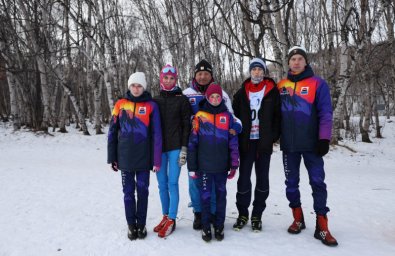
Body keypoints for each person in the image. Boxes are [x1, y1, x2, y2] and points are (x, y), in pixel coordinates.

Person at [277, 46, 338, 246]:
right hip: (289, 146)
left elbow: (326, 114)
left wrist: (323, 139)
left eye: (299, 59)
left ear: (306, 62)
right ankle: (297, 217)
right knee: (291, 184)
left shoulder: (317, 84)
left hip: (312, 145)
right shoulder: (281, 86)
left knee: (317, 183)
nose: (296, 62)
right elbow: (274, 115)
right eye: (293, 59)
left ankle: (322, 224)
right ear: (288, 63)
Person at [183, 59, 242, 230]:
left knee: (214, 185)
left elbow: (232, 117)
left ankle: (214, 213)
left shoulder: (221, 94)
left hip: (215, 148)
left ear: (211, 76)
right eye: (199, 74)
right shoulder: (187, 94)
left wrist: (236, 127)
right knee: (194, 181)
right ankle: (198, 213)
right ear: (195, 75)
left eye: (206, 74)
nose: (202, 77)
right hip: (195, 144)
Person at [107, 72, 162, 241]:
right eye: (133, 85)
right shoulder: (120, 104)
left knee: (143, 192)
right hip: (125, 158)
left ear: (143, 87)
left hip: (144, 159)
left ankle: (142, 224)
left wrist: (156, 159)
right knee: (128, 193)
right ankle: (131, 225)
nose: (136, 89)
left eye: (139, 86)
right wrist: (112, 157)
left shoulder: (151, 106)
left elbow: (157, 134)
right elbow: (112, 132)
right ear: (129, 86)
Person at [232, 57, 281, 232]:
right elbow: (234, 118)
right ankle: (242, 213)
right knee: (244, 179)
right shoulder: (241, 92)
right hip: (246, 144)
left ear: (264, 72)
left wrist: (272, 137)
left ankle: (257, 214)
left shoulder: (272, 91)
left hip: (263, 144)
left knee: (262, 179)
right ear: (250, 71)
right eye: (254, 69)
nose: (257, 72)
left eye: (260, 69)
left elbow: (278, 118)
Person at [152, 64, 191, 238]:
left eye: (172, 78)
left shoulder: (182, 100)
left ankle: (172, 219)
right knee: (162, 185)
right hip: (159, 149)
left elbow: (186, 126)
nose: (168, 81)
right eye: (165, 78)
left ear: (176, 79)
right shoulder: (155, 100)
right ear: (161, 79)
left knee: (172, 183)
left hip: (176, 148)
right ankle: (165, 216)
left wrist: (184, 148)